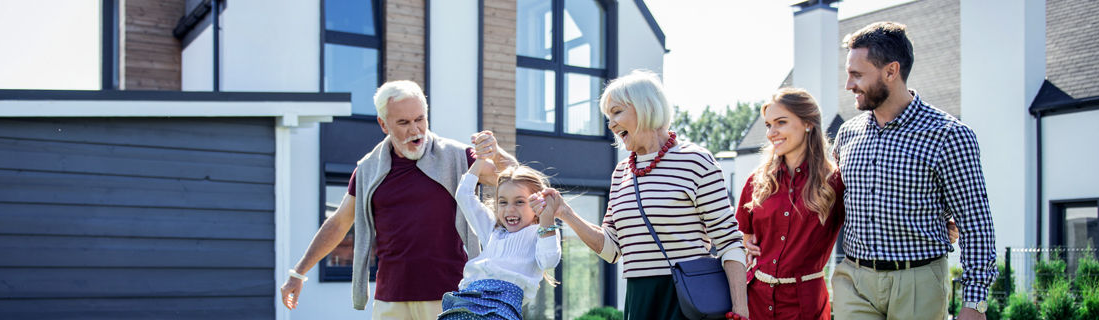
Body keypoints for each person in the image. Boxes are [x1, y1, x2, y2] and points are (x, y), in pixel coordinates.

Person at [278, 80, 518, 320]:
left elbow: (515, 180)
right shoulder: (368, 170)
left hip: (448, 296)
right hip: (389, 300)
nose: (415, 130)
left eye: (420, 120)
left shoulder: (456, 157)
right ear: (384, 124)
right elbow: (339, 223)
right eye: (403, 123)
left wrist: (497, 154)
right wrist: (298, 273)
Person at [532, 70, 750, 320]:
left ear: (645, 106)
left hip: (689, 299)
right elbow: (612, 249)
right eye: (608, 116)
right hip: (639, 298)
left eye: (617, 112)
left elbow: (729, 242)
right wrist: (566, 213)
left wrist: (740, 309)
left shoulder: (696, 161)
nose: (611, 124)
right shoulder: (622, 172)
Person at [831, 22, 997, 320]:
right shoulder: (847, 134)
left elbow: (975, 223)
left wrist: (975, 304)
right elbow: (828, 202)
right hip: (854, 281)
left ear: (891, 71)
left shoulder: (948, 135)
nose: (849, 85)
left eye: (857, 74)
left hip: (919, 283)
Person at [736, 88, 846, 320]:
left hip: (806, 305)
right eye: (768, 125)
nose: (771, 132)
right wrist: (748, 247)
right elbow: (745, 238)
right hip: (756, 300)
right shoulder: (757, 182)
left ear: (807, 124)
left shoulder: (834, 182)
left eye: (781, 122)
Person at [438, 158, 562, 320]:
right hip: (468, 300)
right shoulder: (493, 231)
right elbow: (464, 195)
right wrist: (480, 158)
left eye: (519, 202)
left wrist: (546, 216)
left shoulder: (541, 232)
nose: (510, 209)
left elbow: (548, 260)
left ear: (536, 204)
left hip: (501, 306)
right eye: (503, 202)